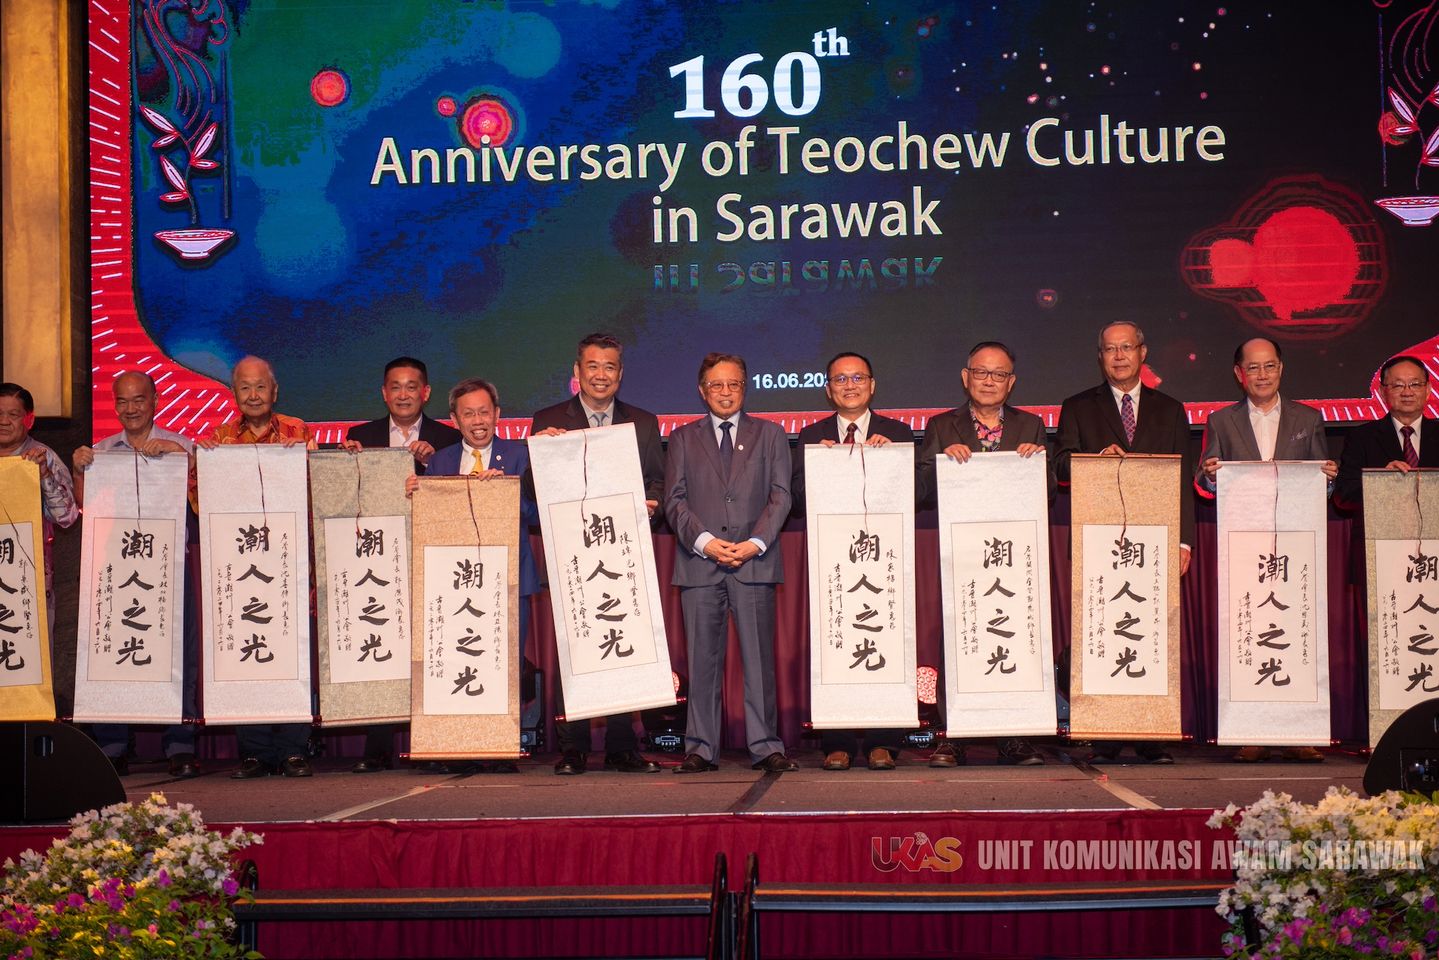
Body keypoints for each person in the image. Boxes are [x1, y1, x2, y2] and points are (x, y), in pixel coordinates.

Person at [1054, 321, 1195, 765]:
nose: (1118, 356)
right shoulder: (1078, 406)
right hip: (1099, 543)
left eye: (1126, 347)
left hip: (1154, 542)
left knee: (1151, 633)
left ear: (1142, 352)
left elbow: (1182, 480)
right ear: (1100, 356)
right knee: (1103, 633)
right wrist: (1094, 460)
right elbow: (1059, 465)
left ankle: (1152, 733)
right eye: (1110, 349)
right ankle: (1104, 731)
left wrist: (1184, 543)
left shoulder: (1170, 409)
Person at [1196, 337, 1337, 763]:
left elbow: (1321, 485)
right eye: (1253, 368)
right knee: (1249, 635)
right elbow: (1204, 483)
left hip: (1295, 549)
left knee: (1295, 632)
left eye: (1269, 366)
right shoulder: (1221, 421)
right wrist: (1211, 475)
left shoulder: (1308, 418)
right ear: (1239, 373)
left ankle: (1299, 732)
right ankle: (1250, 731)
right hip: (1244, 548)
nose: (1262, 375)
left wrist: (1328, 478)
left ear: (1281, 369)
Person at [529, 333, 662, 775]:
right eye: (592, 365)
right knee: (577, 647)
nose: (601, 374)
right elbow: (531, 489)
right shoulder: (549, 420)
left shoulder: (643, 422)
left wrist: (653, 505)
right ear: (577, 372)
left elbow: (658, 480)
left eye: (609, 367)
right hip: (573, 555)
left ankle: (623, 746)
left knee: (624, 642)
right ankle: (573, 747)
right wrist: (543, 452)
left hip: (623, 554)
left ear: (620, 374)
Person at [916, 341, 1053, 767]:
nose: (989, 381)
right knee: (961, 638)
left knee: (1015, 638)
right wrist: (940, 462)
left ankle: (1014, 736)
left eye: (999, 374)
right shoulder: (942, 426)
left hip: (1013, 556)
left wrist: (1037, 463)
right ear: (966, 377)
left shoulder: (1031, 425)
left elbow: (1049, 490)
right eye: (981, 372)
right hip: (964, 556)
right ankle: (954, 735)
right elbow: (919, 490)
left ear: (1011, 382)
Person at [664, 352, 796, 773]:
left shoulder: (771, 435)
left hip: (754, 563)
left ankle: (766, 745)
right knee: (702, 662)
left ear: (744, 388)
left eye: (733, 384)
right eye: (716, 385)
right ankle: (701, 748)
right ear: (702, 391)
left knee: (759, 661)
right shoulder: (682, 438)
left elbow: (781, 496)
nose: (725, 392)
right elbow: (674, 500)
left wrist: (755, 543)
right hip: (700, 564)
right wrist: (705, 542)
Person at [73, 371, 201, 777]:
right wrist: (79, 471)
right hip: (116, 568)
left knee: (177, 655)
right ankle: (112, 743)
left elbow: (206, 499)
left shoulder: (181, 445)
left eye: (139, 399)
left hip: (166, 567)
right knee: (112, 652)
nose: (130, 408)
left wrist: (183, 461)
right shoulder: (101, 452)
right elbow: (84, 505)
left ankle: (180, 744)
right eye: (122, 401)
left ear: (155, 401)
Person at [791, 351, 913, 771]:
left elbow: (918, 493)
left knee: (885, 639)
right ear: (828, 390)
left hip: (883, 559)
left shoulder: (898, 433)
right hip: (836, 562)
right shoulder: (812, 436)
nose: (849, 385)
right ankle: (836, 741)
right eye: (840, 379)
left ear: (872, 385)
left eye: (857, 377)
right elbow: (795, 499)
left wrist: (893, 460)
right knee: (838, 640)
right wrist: (820, 466)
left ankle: (884, 742)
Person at [196, 356, 317, 779]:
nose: (253, 395)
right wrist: (203, 464)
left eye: (260, 387)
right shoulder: (219, 439)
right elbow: (198, 499)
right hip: (241, 564)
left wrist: (306, 461)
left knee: (291, 652)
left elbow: (319, 487)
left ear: (274, 391)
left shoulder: (299, 432)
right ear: (234, 393)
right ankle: (254, 751)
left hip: (287, 562)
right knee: (246, 650)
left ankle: (294, 748)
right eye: (244, 388)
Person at [341, 356, 461, 773]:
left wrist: (434, 464)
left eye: (412, 387)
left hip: (433, 553)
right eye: (396, 386)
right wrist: (347, 464)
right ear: (384, 393)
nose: (404, 394)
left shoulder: (449, 438)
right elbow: (345, 494)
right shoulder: (360, 436)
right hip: (377, 558)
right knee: (379, 643)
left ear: (426, 393)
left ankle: (434, 742)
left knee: (433, 647)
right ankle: (377, 746)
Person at [425, 377, 539, 773]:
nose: (478, 421)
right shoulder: (439, 462)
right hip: (455, 584)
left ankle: (499, 747)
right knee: (459, 662)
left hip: (509, 579)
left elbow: (538, 514)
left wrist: (505, 491)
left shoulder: (520, 456)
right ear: (454, 419)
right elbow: (429, 523)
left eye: (484, 412)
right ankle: (458, 746)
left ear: (498, 414)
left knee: (504, 665)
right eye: (469, 413)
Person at [0, 382, 78, 643]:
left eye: (13, 414)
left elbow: (67, 516)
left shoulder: (44, 457)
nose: (4, 421)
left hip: (27, 583)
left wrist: (43, 475)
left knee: (31, 658)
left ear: (29, 419)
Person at [1334, 354, 1439, 509]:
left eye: (1415, 384)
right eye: (1398, 385)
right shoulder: (1361, 437)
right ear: (1383, 392)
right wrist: (1381, 481)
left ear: (1428, 390)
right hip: (1382, 523)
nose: (1407, 392)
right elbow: (1343, 496)